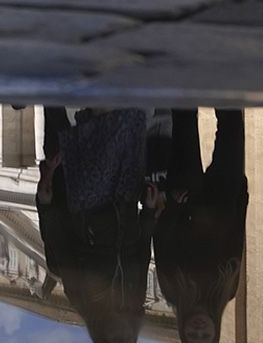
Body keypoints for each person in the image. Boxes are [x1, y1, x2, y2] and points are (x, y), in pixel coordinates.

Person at [36, 107, 158, 343]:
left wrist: (45, 203)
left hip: (90, 202)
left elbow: (59, 245)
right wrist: (150, 212)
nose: (119, 336)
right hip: (127, 201)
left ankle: (84, 79)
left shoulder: (83, 299)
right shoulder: (136, 298)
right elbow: (142, 252)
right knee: (131, 121)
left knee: (109, 125)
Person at [151, 109, 248, 343]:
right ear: (215, 333)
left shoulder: (172, 291)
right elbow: (237, 240)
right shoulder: (228, 291)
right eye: (204, 336)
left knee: (184, 122)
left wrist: (173, 204)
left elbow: (162, 239)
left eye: (192, 335)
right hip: (225, 199)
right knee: (232, 127)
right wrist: (243, 199)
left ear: (183, 331)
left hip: (186, 200)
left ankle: (185, 75)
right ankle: (224, 77)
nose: (198, 329)